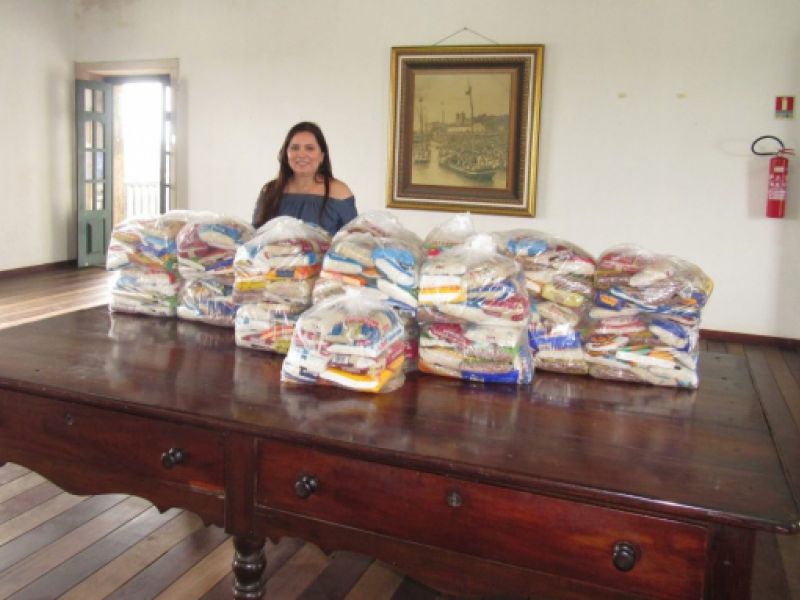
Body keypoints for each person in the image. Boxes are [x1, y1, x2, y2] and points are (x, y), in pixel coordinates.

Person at [252, 121, 357, 237]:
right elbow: (255, 237)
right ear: (286, 154)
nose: (301, 154)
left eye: (309, 148)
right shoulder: (270, 190)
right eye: (295, 148)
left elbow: (354, 241)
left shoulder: (339, 193)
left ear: (322, 156)